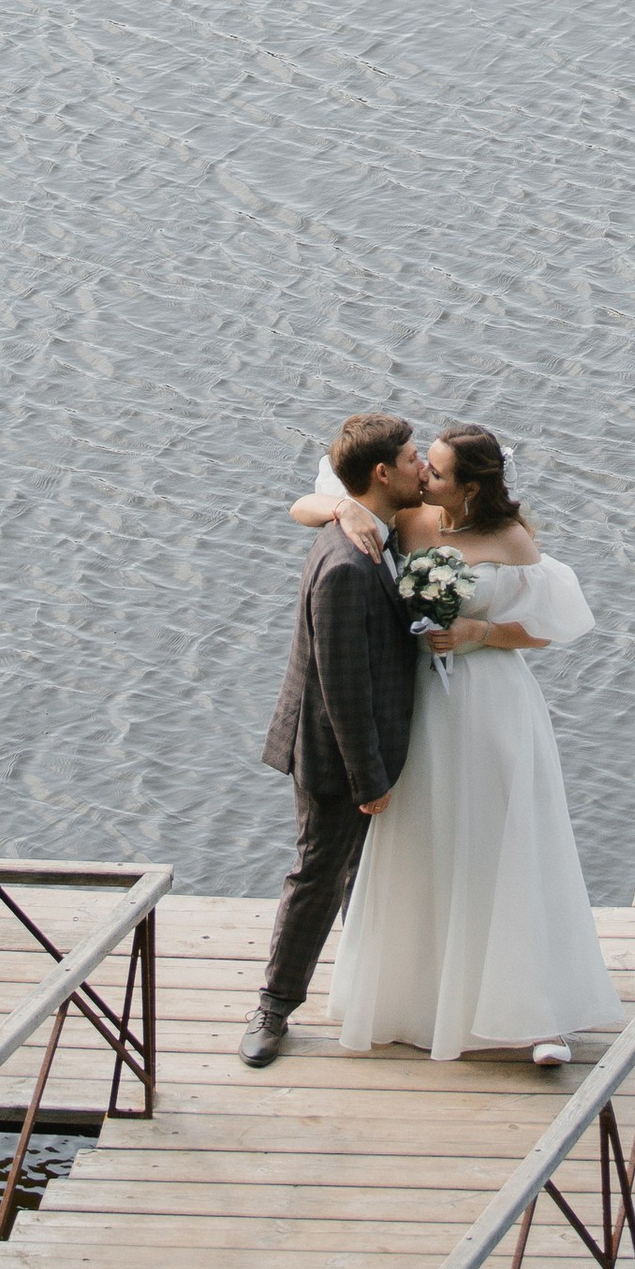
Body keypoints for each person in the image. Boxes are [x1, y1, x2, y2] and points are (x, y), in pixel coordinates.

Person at [290, 423, 622, 1067]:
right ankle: (419, 1000)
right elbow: (302, 504)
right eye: (423, 464)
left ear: (469, 488)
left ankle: (536, 1012)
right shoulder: (409, 520)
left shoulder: (511, 539)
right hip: (422, 706)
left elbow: (546, 628)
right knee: (426, 839)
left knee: (503, 842)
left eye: (436, 472)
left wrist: (480, 634)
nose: (422, 475)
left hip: (492, 704)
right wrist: (341, 510)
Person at [242, 411, 430, 1070]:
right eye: (412, 459)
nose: (421, 467)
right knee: (318, 874)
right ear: (381, 473)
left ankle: (375, 990)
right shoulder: (348, 565)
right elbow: (341, 685)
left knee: (359, 874)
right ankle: (272, 1008)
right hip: (333, 752)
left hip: (368, 743)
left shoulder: (371, 524)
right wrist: (367, 779)